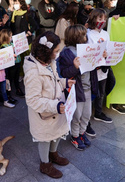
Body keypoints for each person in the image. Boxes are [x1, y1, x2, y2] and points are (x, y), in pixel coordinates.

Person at [23, 31, 74, 179]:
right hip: (45, 113)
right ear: (47, 51)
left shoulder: (49, 62)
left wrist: (64, 82)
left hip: (56, 107)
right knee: (45, 138)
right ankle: (45, 163)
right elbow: (32, 100)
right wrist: (55, 106)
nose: (58, 54)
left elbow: (55, 79)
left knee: (57, 132)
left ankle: (53, 154)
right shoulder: (33, 72)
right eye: (56, 51)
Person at [58, 24, 98, 150]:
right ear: (76, 37)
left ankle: (82, 133)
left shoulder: (87, 49)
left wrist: (100, 58)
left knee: (87, 114)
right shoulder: (66, 53)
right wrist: (74, 67)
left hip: (88, 88)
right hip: (77, 90)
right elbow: (64, 74)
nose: (86, 36)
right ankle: (75, 136)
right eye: (83, 35)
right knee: (77, 115)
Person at [85, 9, 115, 124]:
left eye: (104, 19)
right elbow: (87, 52)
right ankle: (86, 117)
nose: (103, 21)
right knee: (92, 92)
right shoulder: (88, 34)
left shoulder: (105, 33)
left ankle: (98, 112)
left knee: (101, 92)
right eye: (100, 18)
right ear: (93, 19)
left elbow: (109, 48)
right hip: (93, 69)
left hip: (104, 67)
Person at [0, 29, 19, 104]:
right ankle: (8, 96)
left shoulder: (11, 44)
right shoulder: (3, 47)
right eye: (10, 36)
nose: (12, 37)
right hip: (9, 68)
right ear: (6, 37)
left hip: (15, 64)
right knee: (8, 81)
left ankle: (13, 93)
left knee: (14, 79)